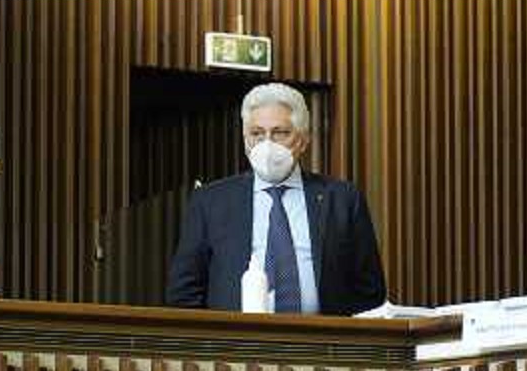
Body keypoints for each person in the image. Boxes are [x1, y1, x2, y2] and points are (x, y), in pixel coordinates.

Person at [165, 82, 386, 316]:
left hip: (323, 336)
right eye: (257, 134)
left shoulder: (342, 199)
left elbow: (370, 293)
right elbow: (184, 293)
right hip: (237, 337)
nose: (267, 144)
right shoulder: (211, 201)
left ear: (303, 140)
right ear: (245, 140)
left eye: (280, 133)